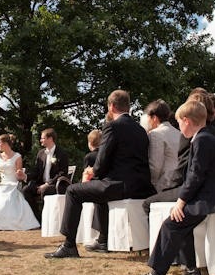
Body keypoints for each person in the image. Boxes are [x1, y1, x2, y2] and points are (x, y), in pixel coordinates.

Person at [126, 100, 215, 275]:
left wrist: (181, 201)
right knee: (176, 224)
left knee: (171, 224)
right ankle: (178, 271)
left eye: (178, 122)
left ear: (186, 120)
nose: (178, 127)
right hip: (211, 195)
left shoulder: (202, 140)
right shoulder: (206, 136)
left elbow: (195, 176)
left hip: (210, 198)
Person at [45, 90, 154, 258]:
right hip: (142, 186)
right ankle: (103, 240)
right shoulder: (140, 130)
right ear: (129, 106)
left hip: (120, 185)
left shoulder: (112, 126)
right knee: (98, 189)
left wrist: (92, 171)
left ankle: (69, 245)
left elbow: (102, 161)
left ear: (111, 106)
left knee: (73, 191)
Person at [22, 127, 70, 221]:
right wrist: (25, 176)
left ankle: (47, 220)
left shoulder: (62, 154)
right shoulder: (41, 153)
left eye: (43, 138)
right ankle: (38, 219)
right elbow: (36, 171)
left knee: (45, 190)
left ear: (50, 139)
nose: (40, 140)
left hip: (56, 185)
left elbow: (62, 173)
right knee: (26, 190)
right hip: (41, 184)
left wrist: (47, 184)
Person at [143, 99, 182, 193]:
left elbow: (155, 166)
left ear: (154, 118)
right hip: (180, 181)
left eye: (148, 117)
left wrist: (150, 185)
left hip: (164, 184)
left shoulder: (155, 134)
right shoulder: (179, 133)